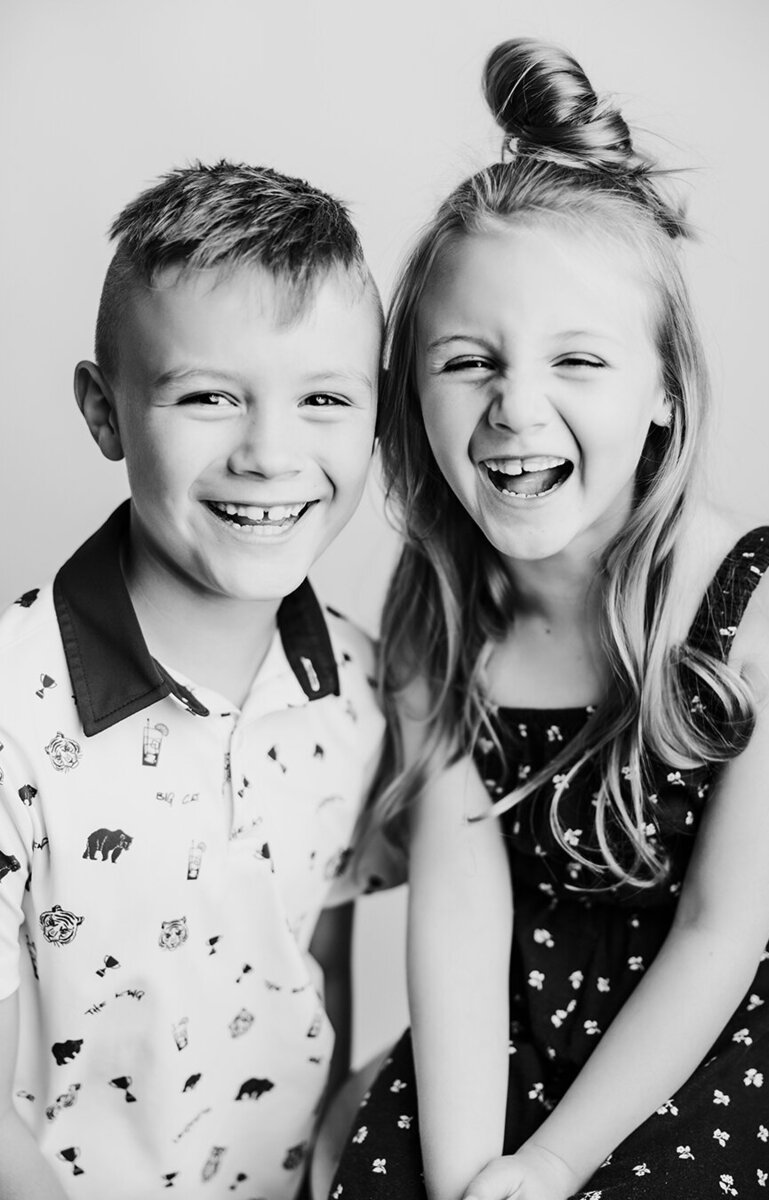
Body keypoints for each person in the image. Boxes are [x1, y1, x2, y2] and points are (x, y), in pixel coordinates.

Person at [323, 38, 769, 1200]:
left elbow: (714, 933)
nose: (515, 409)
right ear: (409, 393)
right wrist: (463, 1176)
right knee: (379, 1174)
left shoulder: (763, 604)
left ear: (663, 393)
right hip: (512, 1016)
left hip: (704, 1030)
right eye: (467, 361)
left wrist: (543, 1169)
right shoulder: (442, 607)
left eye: (577, 360)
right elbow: (458, 910)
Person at [0, 160, 393, 1199]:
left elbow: (319, 965)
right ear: (104, 412)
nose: (269, 454)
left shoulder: (363, 689)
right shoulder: (9, 714)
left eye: (321, 398)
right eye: (209, 395)